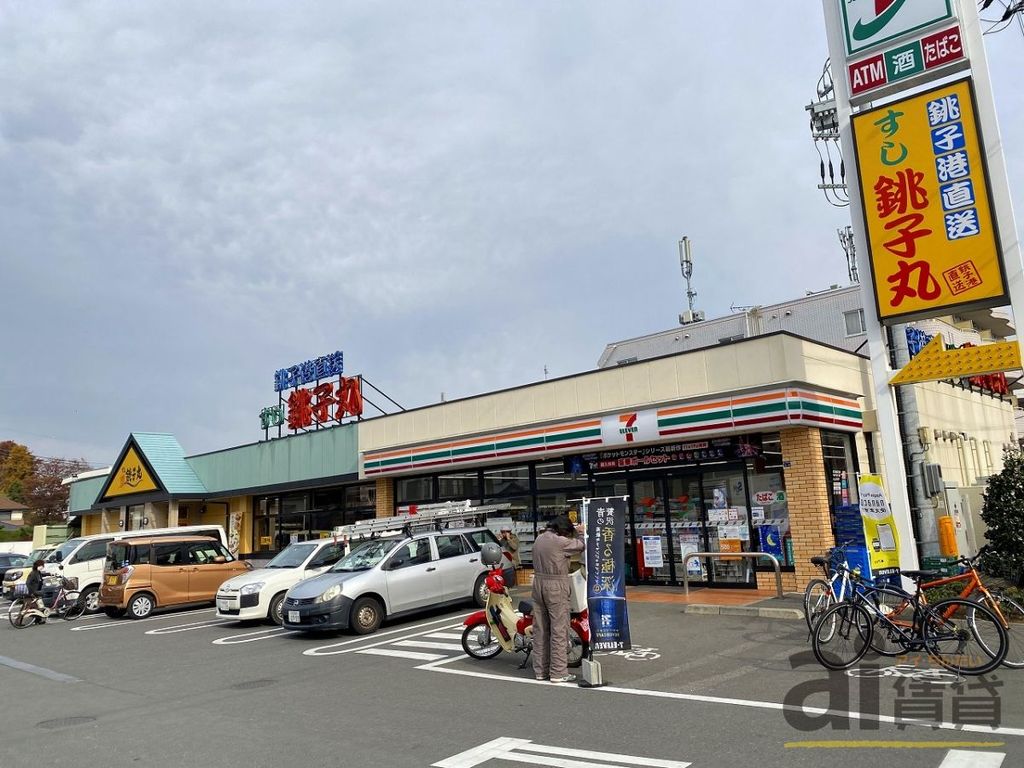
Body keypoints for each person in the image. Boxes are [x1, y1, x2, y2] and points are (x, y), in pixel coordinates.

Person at [531, 514, 584, 684]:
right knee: (559, 630)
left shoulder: (539, 539)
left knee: (540, 629)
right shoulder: (560, 542)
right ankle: (558, 673)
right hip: (556, 586)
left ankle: (540, 671)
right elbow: (582, 545)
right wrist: (580, 532)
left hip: (538, 584)